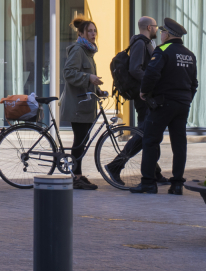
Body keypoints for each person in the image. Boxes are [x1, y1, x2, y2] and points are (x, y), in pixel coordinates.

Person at [130, 17, 198, 195]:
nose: (161, 35)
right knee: (179, 144)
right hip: (182, 104)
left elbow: (151, 74)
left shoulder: (162, 51)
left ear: (167, 34)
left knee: (151, 140)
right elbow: (194, 83)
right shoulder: (189, 54)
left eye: (162, 32)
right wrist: (187, 98)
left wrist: (144, 92)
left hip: (163, 103)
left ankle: (148, 183)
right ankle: (177, 185)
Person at [104, 17, 168, 186]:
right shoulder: (141, 43)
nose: (157, 30)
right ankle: (116, 166)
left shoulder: (145, 43)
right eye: (155, 27)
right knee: (144, 135)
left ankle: (155, 172)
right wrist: (150, 82)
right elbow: (134, 69)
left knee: (150, 134)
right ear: (149, 27)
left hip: (146, 95)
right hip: (144, 96)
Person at [62, 16, 103, 190]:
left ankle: (77, 174)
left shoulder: (88, 52)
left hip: (85, 105)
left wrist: (98, 90)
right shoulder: (78, 50)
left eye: (95, 31)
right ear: (81, 33)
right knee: (79, 141)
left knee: (82, 141)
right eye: (90, 31)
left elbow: (86, 77)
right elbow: (69, 73)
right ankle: (76, 178)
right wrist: (89, 77)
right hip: (77, 105)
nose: (93, 34)